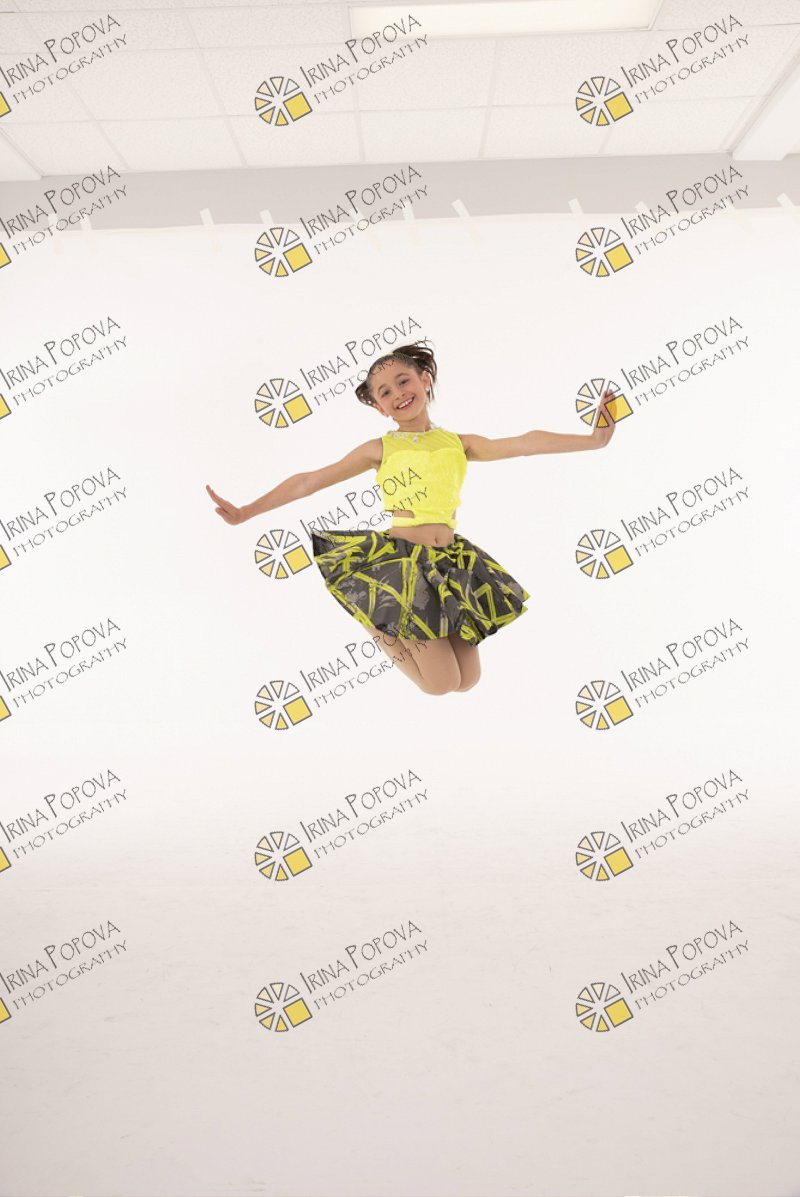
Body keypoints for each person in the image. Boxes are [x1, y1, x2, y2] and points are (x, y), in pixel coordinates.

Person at [207, 341, 616, 696]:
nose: (398, 393)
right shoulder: (380, 449)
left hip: (450, 564)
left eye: (403, 381)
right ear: (379, 407)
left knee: (467, 681)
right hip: (402, 565)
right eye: (385, 392)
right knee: (439, 684)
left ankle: (389, 620)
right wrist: (246, 511)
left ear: (424, 380)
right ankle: (376, 620)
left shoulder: (459, 443)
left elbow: (525, 443)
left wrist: (593, 440)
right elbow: (308, 481)